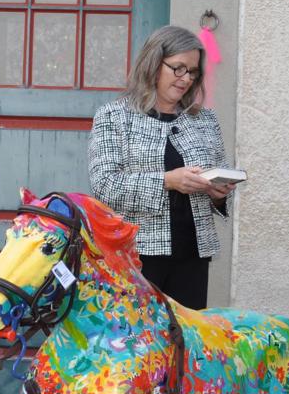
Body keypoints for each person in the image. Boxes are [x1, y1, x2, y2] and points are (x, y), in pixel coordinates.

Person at [87, 25, 234, 310]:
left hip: (192, 257)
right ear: (154, 63)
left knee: (184, 344)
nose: (186, 79)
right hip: (136, 257)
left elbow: (221, 186)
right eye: (178, 68)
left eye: (192, 72)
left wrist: (219, 192)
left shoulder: (204, 120)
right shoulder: (114, 116)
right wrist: (167, 180)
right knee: (138, 344)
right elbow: (105, 185)